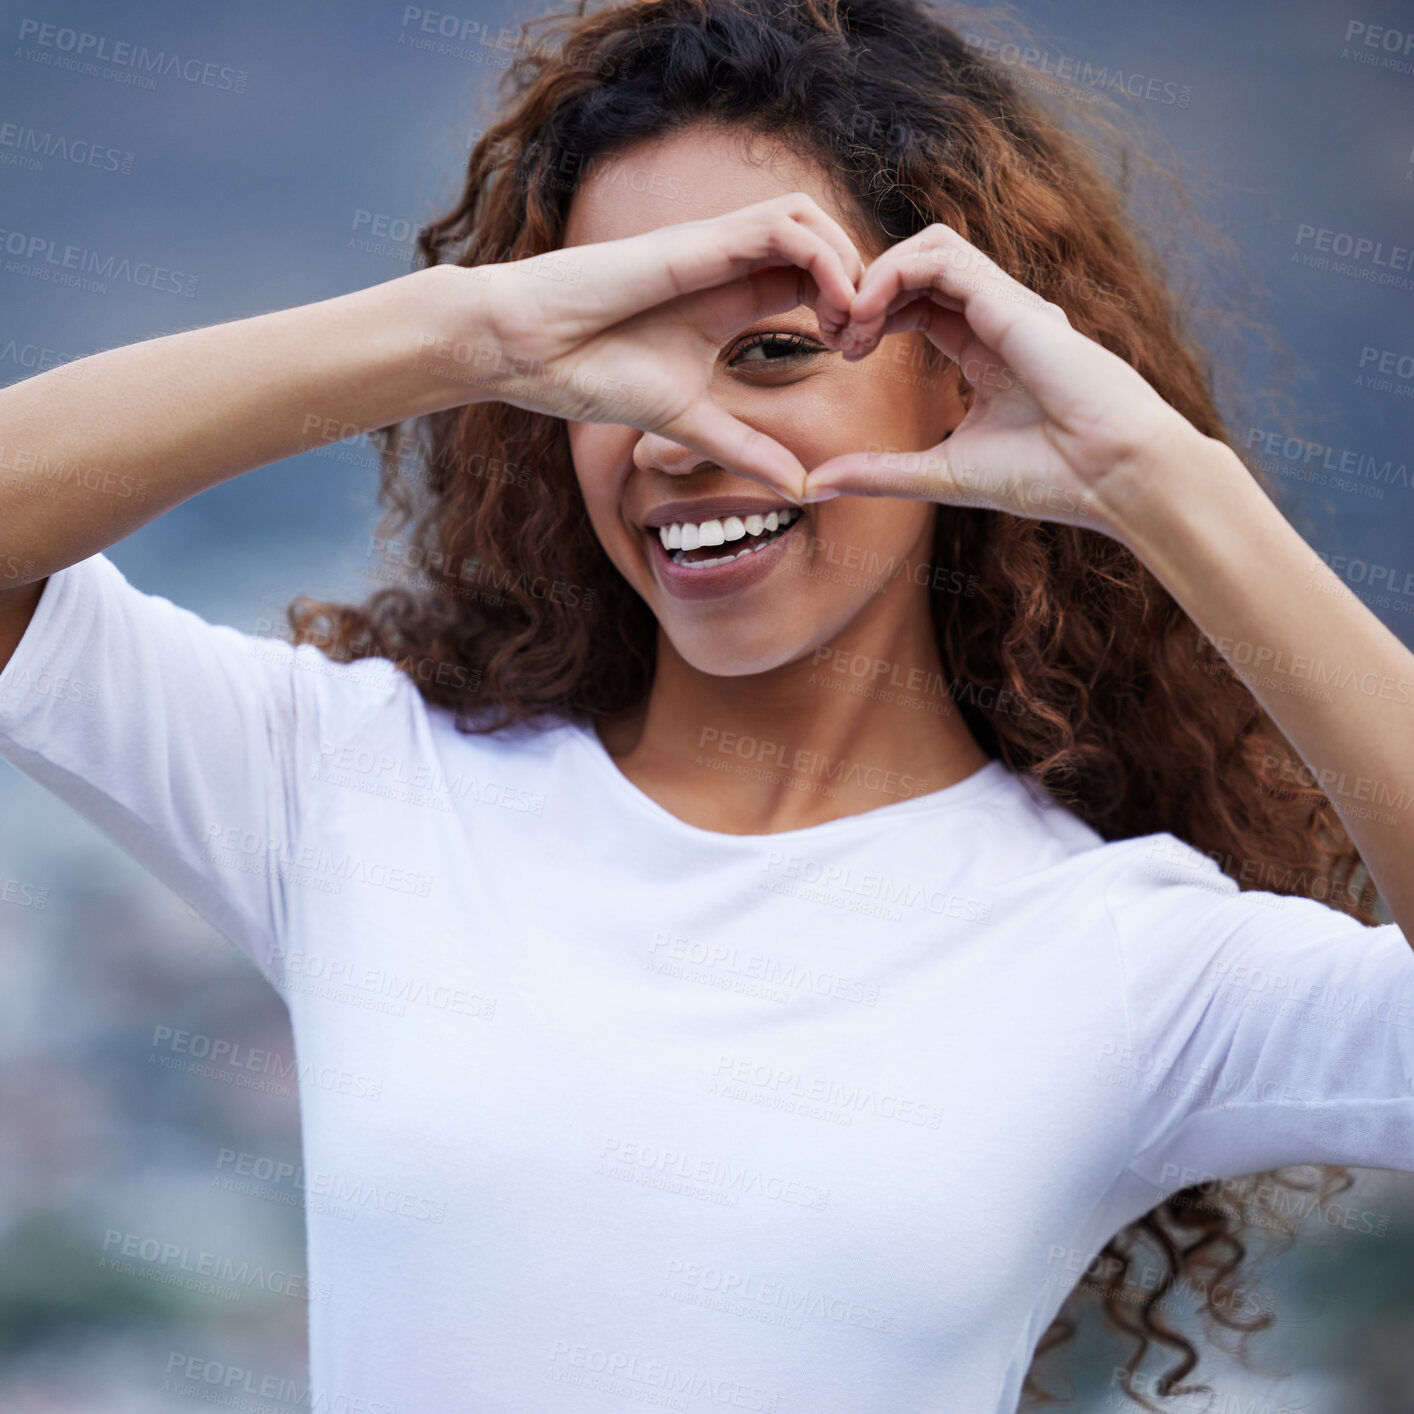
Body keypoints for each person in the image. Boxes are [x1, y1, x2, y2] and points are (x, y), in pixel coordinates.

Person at [2, 0, 1411, 1409]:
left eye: (773, 351)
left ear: (959, 377)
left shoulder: (1128, 952)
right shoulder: (359, 778)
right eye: (619, 343)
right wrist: (468, 328)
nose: (680, 432)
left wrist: (1160, 486)